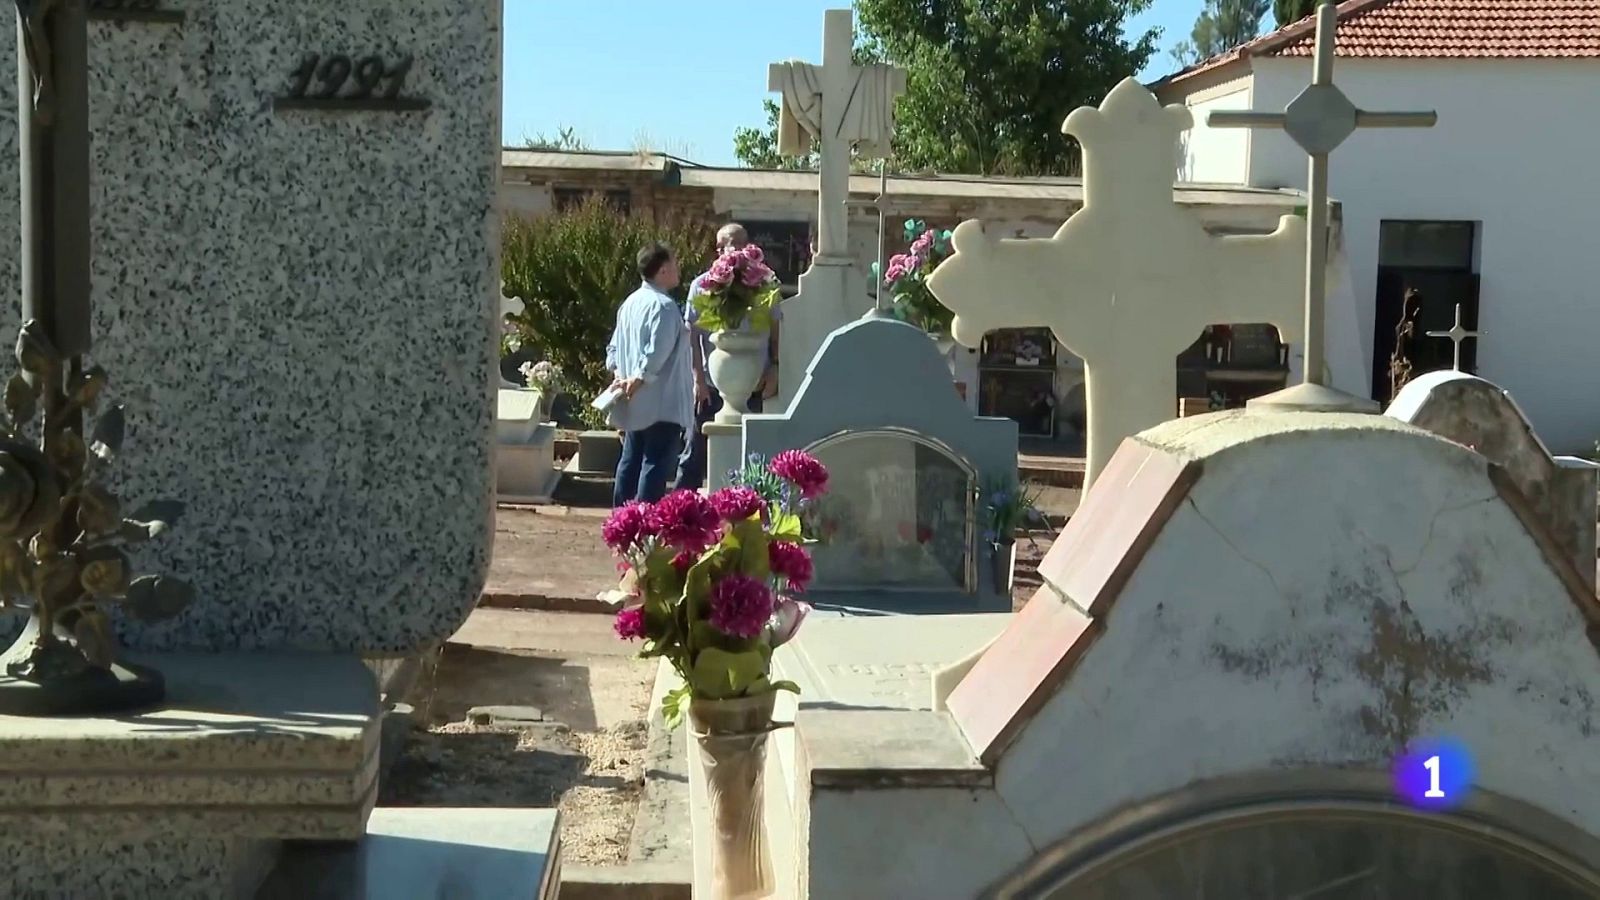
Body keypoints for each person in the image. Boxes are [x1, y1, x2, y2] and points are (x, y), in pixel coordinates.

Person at [675, 223, 782, 490]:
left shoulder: (765, 283)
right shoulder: (702, 285)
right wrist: (698, 378)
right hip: (713, 382)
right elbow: (693, 335)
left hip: (755, 381)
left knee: (755, 455)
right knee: (695, 449)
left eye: (738, 243)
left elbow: (776, 328)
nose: (733, 250)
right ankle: (679, 513)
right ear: (718, 249)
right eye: (726, 245)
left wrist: (775, 368)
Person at [605, 242, 694, 507]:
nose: (678, 269)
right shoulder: (664, 306)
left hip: (632, 397)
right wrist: (641, 376)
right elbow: (658, 349)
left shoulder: (630, 302)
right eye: (675, 264)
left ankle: (621, 518)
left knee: (631, 460)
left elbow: (613, 347)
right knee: (654, 463)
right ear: (664, 270)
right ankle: (643, 522)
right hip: (661, 399)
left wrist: (619, 372)